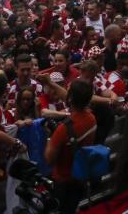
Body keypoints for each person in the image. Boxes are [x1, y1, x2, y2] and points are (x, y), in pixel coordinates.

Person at [45, 79, 96, 214]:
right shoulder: (91, 118)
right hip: (79, 179)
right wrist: (50, 83)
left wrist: (50, 138)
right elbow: (73, 98)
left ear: (71, 98)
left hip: (63, 182)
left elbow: (49, 159)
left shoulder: (63, 130)